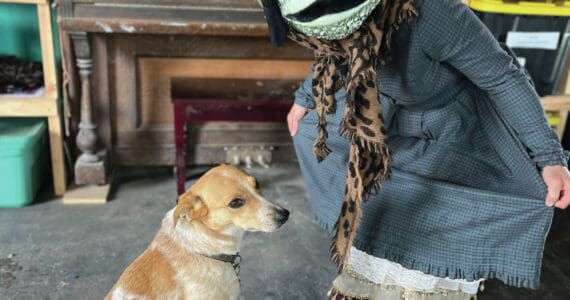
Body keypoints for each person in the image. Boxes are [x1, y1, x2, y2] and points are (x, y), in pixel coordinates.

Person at [261, 0, 570, 299]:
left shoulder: (431, 11)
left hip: (453, 124)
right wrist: (305, 98)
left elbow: (503, 78)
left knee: (435, 213)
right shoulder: (318, 25)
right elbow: (331, 55)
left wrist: (549, 157)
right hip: (382, 110)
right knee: (337, 159)